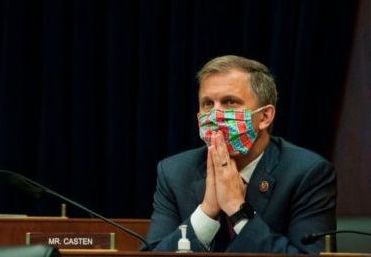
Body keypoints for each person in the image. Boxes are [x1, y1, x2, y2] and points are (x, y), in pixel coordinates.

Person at [144, 55, 336, 253]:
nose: (215, 115)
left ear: (264, 116)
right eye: (208, 103)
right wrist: (207, 211)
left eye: (229, 102)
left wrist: (237, 209)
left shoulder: (308, 173)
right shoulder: (174, 172)